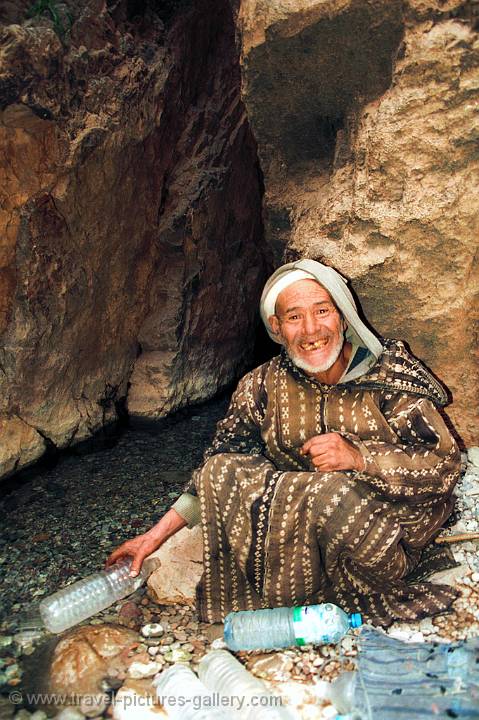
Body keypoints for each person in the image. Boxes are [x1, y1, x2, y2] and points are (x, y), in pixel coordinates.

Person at [107, 259, 461, 626]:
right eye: (294, 317)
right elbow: (213, 471)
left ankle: (314, 597)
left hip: (387, 541)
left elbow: (445, 464)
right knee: (222, 468)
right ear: (277, 328)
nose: (311, 330)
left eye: (322, 311)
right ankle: (291, 597)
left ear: (342, 316)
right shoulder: (261, 386)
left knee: (328, 493)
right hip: (301, 546)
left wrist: (360, 457)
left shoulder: (386, 376)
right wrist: (152, 537)